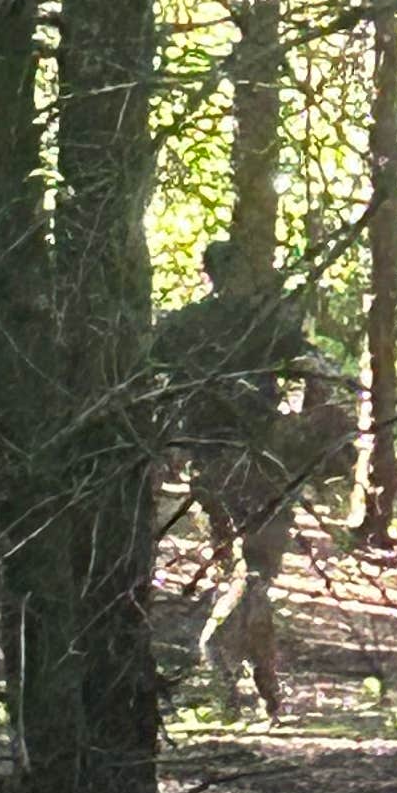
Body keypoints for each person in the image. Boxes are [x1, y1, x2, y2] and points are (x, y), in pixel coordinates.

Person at [151, 238, 352, 718]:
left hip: (221, 462)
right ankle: (225, 664)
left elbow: (153, 379)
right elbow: (315, 366)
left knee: (248, 573)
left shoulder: (188, 325)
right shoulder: (247, 325)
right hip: (249, 461)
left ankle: (262, 692)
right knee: (254, 572)